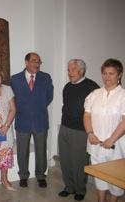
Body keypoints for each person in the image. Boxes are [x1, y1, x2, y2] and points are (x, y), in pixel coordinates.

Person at [83, 58, 125, 202]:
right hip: (96, 144)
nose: (107, 77)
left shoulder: (123, 95)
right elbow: (87, 115)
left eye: (111, 73)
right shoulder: (94, 94)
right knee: (100, 176)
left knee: (116, 179)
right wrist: (90, 133)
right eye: (104, 73)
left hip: (117, 146)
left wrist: (111, 139)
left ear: (119, 75)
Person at [58, 59, 99, 201]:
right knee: (65, 160)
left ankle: (80, 189)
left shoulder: (92, 87)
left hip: (81, 131)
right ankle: (69, 187)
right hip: (64, 127)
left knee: (79, 161)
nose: (70, 73)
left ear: (81, 71)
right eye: (69, 70)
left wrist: (91, 131)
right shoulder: (67, 87)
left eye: (73, 70)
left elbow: (96, 112)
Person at [11, 52, 53, 188]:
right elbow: (12, 99)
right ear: (26, 62)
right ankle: (23, 175)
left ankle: (41, 176)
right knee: (22, 151)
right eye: (34, 60)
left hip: (40, 120)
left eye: (39, 61)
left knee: (41, 149)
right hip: (22, 120)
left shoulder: (45, 77)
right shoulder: (15, 79)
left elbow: (49, 97)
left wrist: (36, 108)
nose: (37, 63)